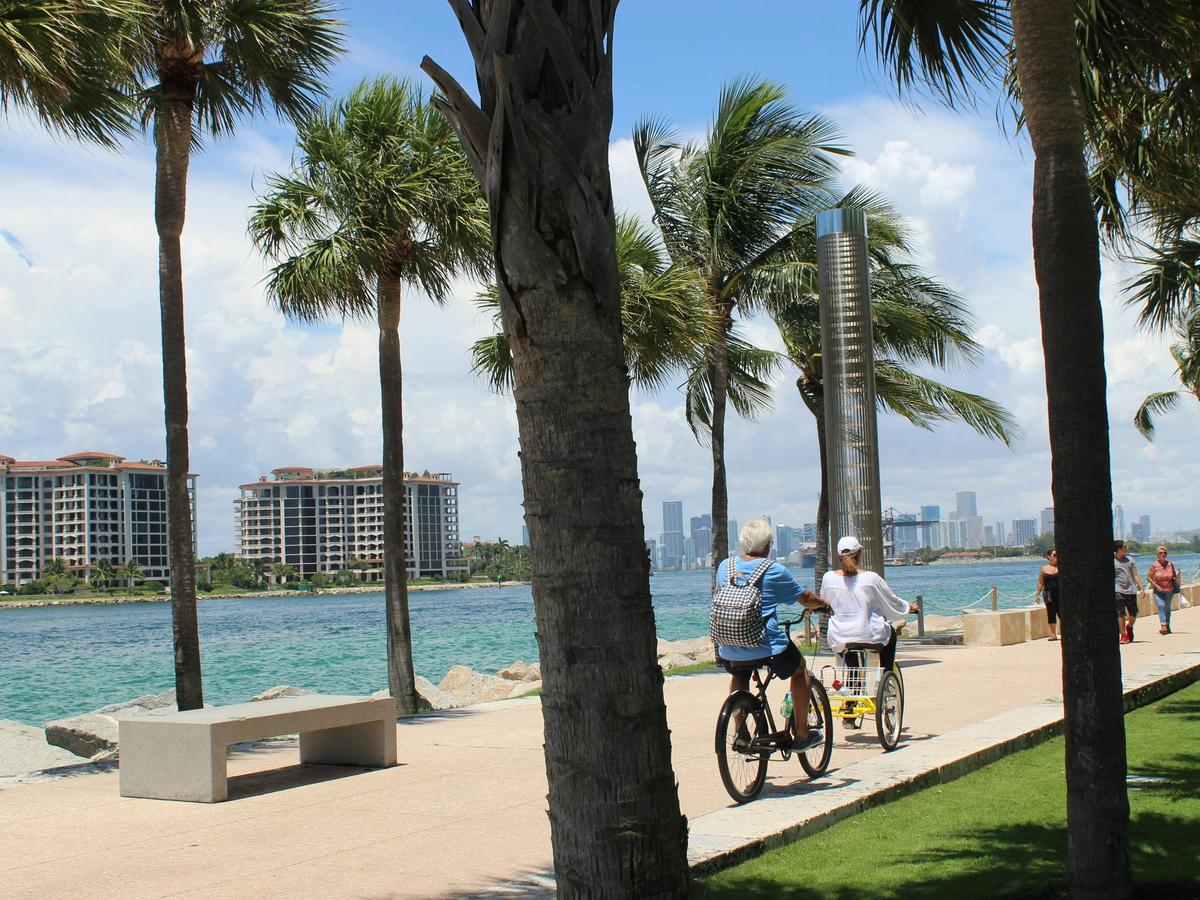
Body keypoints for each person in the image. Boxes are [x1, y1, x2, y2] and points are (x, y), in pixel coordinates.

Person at [715, 518, 827, 752]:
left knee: (739, 674)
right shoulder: (774, 570)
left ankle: (740, 732)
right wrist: (823, 605)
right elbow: (803, 597)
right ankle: (802, 735)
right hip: (766, 646)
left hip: (729, 645)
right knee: (800, 670)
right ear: (767, 546)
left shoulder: (725, 567)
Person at [821, 535, 917, 673]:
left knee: (848, 649)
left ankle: (855, 680)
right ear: (859, 554)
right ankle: (886, 674)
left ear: (839, 557)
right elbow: (892, 601)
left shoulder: (828, 578)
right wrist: (909, 608)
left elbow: (824, 603)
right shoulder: (871, 578)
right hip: (869, 634)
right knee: (891, 636)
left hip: (840, 636)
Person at [1114, 540, 1145, 644]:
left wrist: (1142, 588)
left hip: (1131, 590)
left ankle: (1129, 626)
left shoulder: (1130, 560)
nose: (1127, 548)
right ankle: (1123, 635)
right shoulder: (1112, 561)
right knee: (1120, 613)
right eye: (1125, 546)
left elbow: (1135, 575)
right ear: (1119, 549)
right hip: (1118, 590)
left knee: (1133, 613)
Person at [1147, 546, 1179, 635]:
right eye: (1161, 553)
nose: (1163, 554)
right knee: (1161, 606)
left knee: (1167, 608)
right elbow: (1148, 577)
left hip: (1169, 590)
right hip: (1158, 590)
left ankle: (1167, 625)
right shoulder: (1154, 565)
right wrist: (1156, 586)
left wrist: (1176, 582)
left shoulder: (1170, 564)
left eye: (1164, 553)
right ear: (1157, 554)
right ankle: (1163, 626)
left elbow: (1174, 576)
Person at [1036, 548, 1060, 641]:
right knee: (1050, 613)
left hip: (1060, 593)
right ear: (1049, 557)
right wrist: (1037, 595)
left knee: (1062, 613)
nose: (1056, 557)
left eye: (1057, 555)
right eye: (1054, 555)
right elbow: (1040, 583)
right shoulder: (1043, 569)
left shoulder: (1061, 567)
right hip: (1047, 593)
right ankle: (1053, 634)